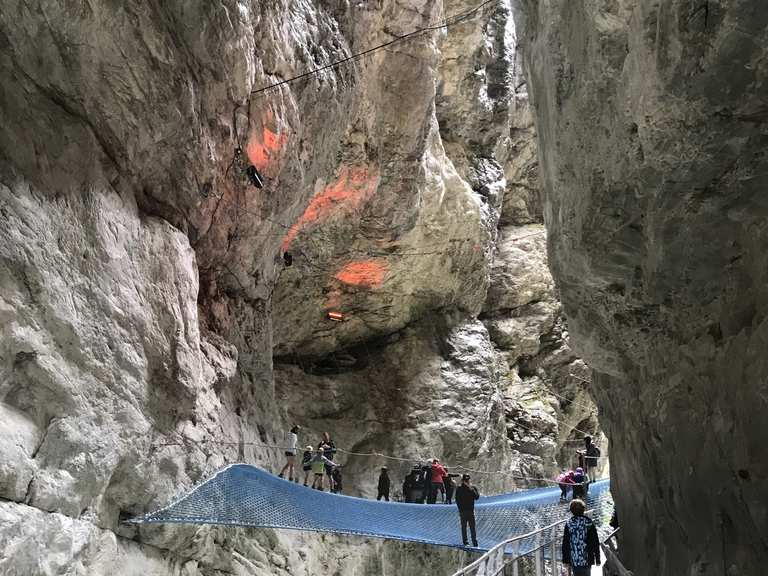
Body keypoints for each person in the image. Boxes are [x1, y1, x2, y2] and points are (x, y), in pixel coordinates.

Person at [562, 498, 600, 576]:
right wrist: (598, 559)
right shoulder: (588, 523)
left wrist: (565, 560)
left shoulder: (569, 523)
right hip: (587, 558)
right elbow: (595, 541)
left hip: (574, 558)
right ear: (583, 509)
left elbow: (565, 543)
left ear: (571, 510)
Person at [454, 473, 479, 547]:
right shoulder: (459, 488)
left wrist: (470, 488)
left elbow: (476, 497)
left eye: (468, 480)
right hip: (463, 511)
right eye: (465, 480)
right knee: (463, 527)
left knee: (473, 527)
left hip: (471, 510)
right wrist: (460, 509)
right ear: (462, 480)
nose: (467, 482)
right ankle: (465, 542)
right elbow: (457, 499)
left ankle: (475, 542)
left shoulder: (473, 488)